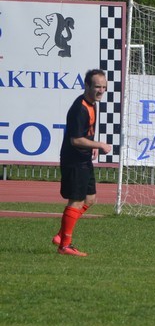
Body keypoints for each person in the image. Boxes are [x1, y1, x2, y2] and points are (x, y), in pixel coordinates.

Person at [52, 69, 113, 256]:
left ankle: (61, 236)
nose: (101, 90)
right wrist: (99, 144)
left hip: (83, 158)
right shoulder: (79, 108)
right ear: (87, 86)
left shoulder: (92, 103)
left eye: (104, 87)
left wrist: (91, 145)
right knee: (76, 200)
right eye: (97, 87)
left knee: (90, 199)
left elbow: (85, 134)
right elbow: (75, 140)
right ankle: (65, 246)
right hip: (74, 160)